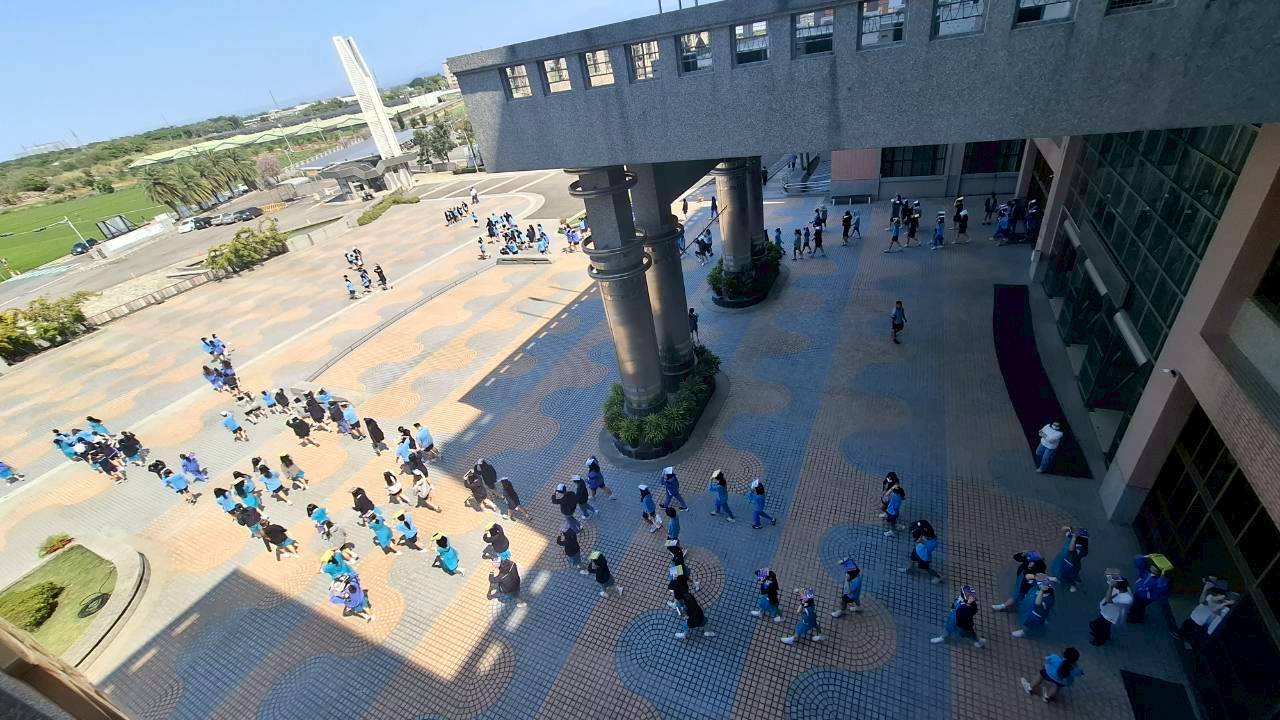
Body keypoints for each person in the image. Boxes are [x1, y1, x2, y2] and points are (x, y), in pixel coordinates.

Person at [1173, 577, 1234, 651]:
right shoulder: (1211, 596)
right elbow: (1203, 601)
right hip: (1201, 617)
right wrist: (1205, 589)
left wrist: (1224, 602)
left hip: (1208, 621)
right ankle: (1183, 636)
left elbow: (1215, 607)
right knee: (1190, 625)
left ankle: (1193, 644)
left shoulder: (1223, 602)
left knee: (1199, 635)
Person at [1088, 570, 1133, 646]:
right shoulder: (1122, 587)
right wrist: (1112, 574)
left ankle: (1099, 640)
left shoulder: (1125, 598)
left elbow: (1108, 600)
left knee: (1101, 627)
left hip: (1109, 616)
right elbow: (1109, 573)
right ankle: (1104, 635)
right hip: (1106, 611)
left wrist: (1111, 587)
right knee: (1104, 627)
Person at [1129, 554, 1173, 623]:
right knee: (1139, 607)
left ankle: (1135, 619)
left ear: (1160, 571)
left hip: (1144, 597)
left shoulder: (1160, 582)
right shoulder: (1147, 572)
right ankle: (1137, 616)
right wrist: (1145, 557)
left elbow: (1161, 588)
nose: (1152, 566)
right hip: (1140, 595)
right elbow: (1138, 561)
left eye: (1155, 566)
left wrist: (1162, 577)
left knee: (1138, 607)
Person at [1050, 527, 1089, 593]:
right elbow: (1068, 534)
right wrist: (1068, 529)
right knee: (1068, 574)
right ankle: (1074, 581)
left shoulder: (1082, 550)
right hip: (1068, 563)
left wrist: (1074, 538)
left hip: (1070, 566)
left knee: (1067, 576)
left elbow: (1071, 550)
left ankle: (1072, 585)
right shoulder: (1078, 540)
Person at [881, 472, 905, 536]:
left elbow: (886, 494)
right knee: (892, 521)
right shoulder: (898, 497)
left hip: (892, 513)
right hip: (892, 512)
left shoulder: (894, 497)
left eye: (894, 491)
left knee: (892, 522)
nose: (892, 491)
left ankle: (893, 531)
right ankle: (897, 526)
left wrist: (892, 488)